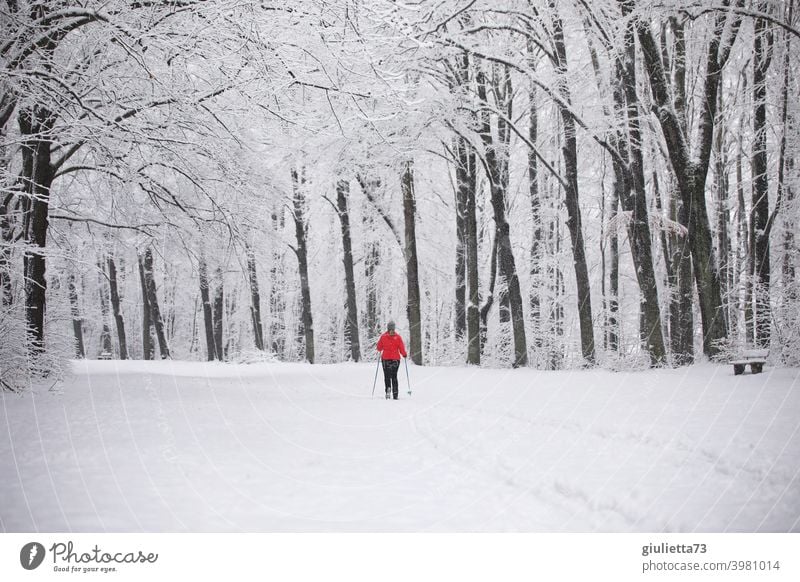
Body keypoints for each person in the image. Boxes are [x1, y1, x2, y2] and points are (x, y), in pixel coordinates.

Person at [376, 320, 407, 400]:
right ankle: (395, 393)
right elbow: (401, 348)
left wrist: (381, 347)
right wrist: (404, 354)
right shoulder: (398, 337)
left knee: (387, 376)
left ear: (388, 328)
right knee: (394, 376)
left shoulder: (383, 337)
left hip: (386, 359)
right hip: (395, 360)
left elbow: (379, 348)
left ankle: (388, 390)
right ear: (394, 328)